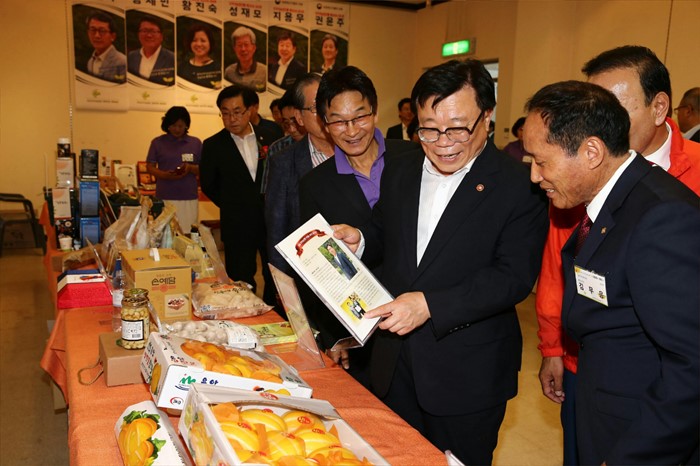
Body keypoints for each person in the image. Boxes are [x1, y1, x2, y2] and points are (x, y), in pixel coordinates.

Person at [331, 60, 548, 465]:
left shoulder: (520, 184)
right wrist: (360, 239)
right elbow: (386, 231)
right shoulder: (401, 166)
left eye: (458, 128)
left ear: (487, 117)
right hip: (394, 361)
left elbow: (513, 277)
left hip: (467, 372)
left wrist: (430, 304)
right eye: (428, 128)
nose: (443, 142)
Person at [535, 45, 700, 466]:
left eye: (541, 162)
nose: (534, 176)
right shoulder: (610, 202)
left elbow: (691, 364)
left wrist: (633, 456)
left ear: (591, 152)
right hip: (602, 406)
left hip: (638, 434)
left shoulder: (661, 216)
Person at [299, 66, 418, 387]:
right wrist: (334, 335)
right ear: (324, 124)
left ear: (375, 112)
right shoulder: (315, 185)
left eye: (360, 117)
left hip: (423, 319)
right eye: (338, 121)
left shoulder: (414, 158)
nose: (351, 131)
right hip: (363, 330)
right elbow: (317, 269)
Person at [199, 85, 279, 310]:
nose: (232, 118)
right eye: (225, 113)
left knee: (274, 273)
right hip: (237, 221)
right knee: (240, 276)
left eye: (237, 112)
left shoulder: (271, 136)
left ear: (250, 110)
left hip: (271, 219)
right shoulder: (213, 145)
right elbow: (208, 184)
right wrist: (231, 203)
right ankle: (245, 314)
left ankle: (275, 314)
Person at [265, 73, 335, 276]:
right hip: (307, 272)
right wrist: (283, 282)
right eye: (315, 107)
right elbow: (277, 229)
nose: (326, 113)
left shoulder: (356, 153)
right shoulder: (284, 162)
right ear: (299, 117)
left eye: (329, 103)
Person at [145, 106, 202, 230]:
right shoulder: (157, 143)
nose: (177, 129)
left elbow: (203, 169)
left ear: (186, 125)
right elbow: (150, 167)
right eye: (173, 125)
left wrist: (190, 168)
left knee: (188, 232)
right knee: (165, 233)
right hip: (165, 196)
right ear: (167, 125)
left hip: (188, 197)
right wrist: (164, 175)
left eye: (181, 126)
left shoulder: (196, 143)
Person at [127, 16, 175, 86]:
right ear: (138, 35)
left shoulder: (172, 59)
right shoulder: (131, 57)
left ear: (161, 36)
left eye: (153, 31)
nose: (149, 35)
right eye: (144, 31)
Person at [86, 12, 126, 83]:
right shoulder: (90, 62)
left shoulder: (122, 62)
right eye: (93, 30)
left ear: (113, 36)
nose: (97, 35)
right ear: (88, 33)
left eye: (102, 31)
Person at [223, 26, 266, 92]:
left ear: (254, 48)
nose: (243, 49)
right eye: (239, 45)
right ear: (234, 49)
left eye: (246, 44)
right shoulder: (229, 72)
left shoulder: (264, 72)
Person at [178, 24, 221, 89]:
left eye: (203, 41)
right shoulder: (182, 67)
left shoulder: (218, 68)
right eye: (194, 40)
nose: (198, 44)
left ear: (210, 43)